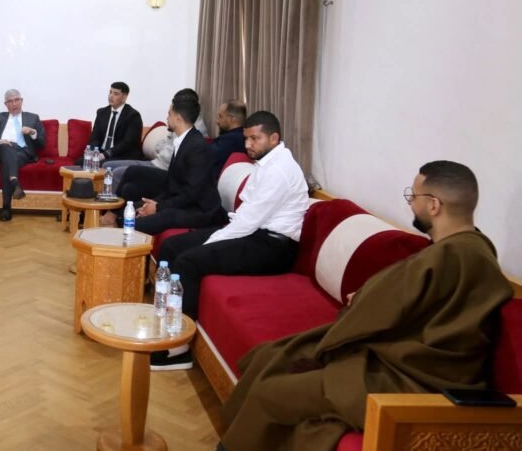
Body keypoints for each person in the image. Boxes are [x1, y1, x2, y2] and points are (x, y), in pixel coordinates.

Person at [219, 161, 514, 451]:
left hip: (410, 382)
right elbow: (411, 307)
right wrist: (366, 298)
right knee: (274, 356)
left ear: (434, 205)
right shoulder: (474, 250)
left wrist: (360, 299)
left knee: (272, 389)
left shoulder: (450, 256)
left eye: (413, 196)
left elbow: (380, 309)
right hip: (409, 366)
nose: (411, 204)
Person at [152, 111, 309, 371]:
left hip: (273, 247)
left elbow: (247, 222)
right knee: (171, 246)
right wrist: (213, 237)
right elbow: (245, 213)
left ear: (274, 138)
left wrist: (210, 242)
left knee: (189, 262)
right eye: (246, 138)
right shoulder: (265, 162)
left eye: (255, 139)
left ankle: (177, 349)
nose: (248, 144)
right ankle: (165, 318)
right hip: (252, 232)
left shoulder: (280, 171)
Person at [120, 94, 226, 236]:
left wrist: (158, 207)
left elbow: (192, 194)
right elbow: (173, 186)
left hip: (199, 210)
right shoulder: (183, 140)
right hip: (181, 202)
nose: (167, 118)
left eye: (169, 114)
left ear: (178, 118)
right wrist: (154, 204)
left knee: (135, 223)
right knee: (128, 212)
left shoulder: (197, 147)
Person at [0, 89, 45, 221]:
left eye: (17, 100)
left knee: (8, 161)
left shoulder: (33, 118)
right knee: (7, 147)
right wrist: (0, 141)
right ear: (5, 104)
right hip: (0, 149)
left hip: (22, 152)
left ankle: (6, 206)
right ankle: (14, 184)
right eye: (10, 101)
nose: (14, 103)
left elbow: (42, 143)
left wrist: (32, 132)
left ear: (22, 101)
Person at [76, 82, 143, 165]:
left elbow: (128, 143)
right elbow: (94, 137)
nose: (111, 96)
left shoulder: (133, 116)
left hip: (121, 155)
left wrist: (105, 154)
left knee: (101, 164)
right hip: (102, 152)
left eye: (116, 94)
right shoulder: (102, 112)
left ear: (124, 97)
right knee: (80, 162)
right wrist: (94, 152)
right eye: (110, 92)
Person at [209, 99, 247, 180]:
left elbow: (203, 157)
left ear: (231, 119)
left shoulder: (229, 140)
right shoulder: (244, 136)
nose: (217, 121)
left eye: (220, 117)